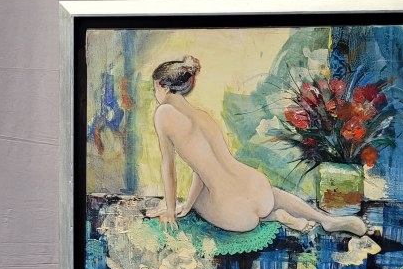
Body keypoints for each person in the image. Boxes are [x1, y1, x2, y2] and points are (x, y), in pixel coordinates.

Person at [145, 56, 370, 237]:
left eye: (155, 88)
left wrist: (174, 210)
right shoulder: (202, 116)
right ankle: (326, 219)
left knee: (195, 204)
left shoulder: (164, 113)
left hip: (233, 211)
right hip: (254, 185)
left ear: (164, 86)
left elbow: (169, 166)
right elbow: (202, 167)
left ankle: (275, 216)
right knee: (270, 195)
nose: (156, 94)